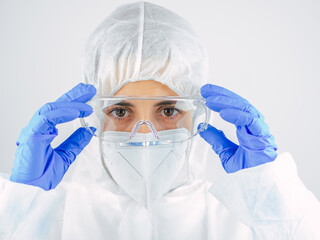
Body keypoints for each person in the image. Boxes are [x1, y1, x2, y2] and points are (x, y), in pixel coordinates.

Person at [0, 2, 319, 239]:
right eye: (121, 111)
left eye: (167, 111)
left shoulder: (244, 222)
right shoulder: (48, 219)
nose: (145, 137)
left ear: (196, 117)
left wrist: (270, 198)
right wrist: (20, 209)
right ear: (94, 118)